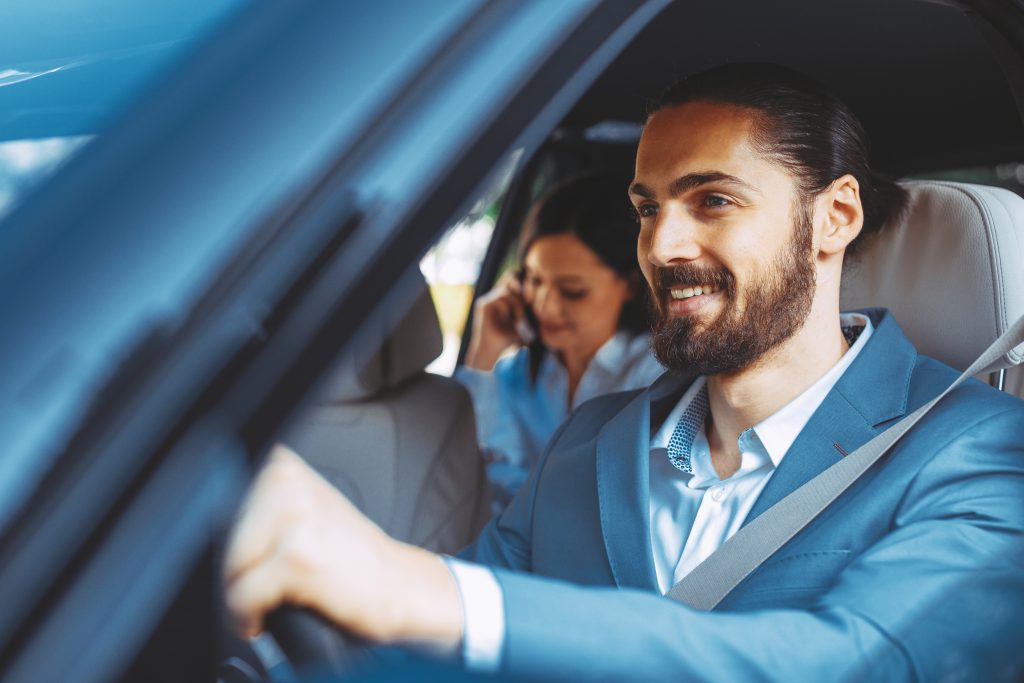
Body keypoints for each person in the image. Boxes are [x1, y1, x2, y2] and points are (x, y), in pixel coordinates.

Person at [222, 63, 1024, 681]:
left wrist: (424, 592)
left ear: (834, 218)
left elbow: (845, 662)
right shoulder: (591, 441)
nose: (662, 246)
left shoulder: (983, 453)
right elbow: (429, 650)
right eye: (648, 207)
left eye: (712, 200)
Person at [456, 172, 664, 505]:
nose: (545, 306)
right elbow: (458, 467)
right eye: (535, 280)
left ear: (629, 284)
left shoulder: (656, 380)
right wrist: (483, 352)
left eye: (572, 291)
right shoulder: (513, 374)